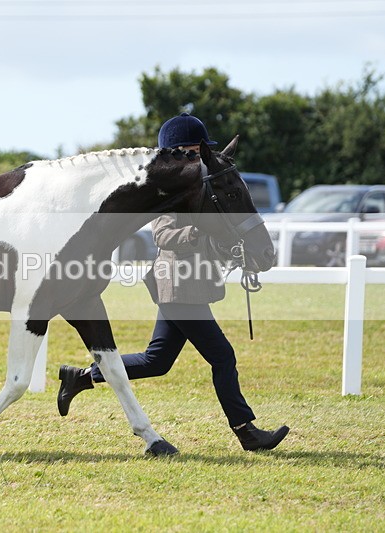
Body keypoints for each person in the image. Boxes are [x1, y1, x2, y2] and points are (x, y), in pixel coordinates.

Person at [57, 113, 289, 452]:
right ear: (178, 151)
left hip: (189, 284)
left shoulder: (200, 183)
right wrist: (199, 231)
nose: (201, 155)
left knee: (157, 361)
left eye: (202, 149)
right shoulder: (171, 187)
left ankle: (81, 376)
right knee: (223, 356)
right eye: (196, 149)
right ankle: (246, 431)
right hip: (178, 284)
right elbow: (163, 234)